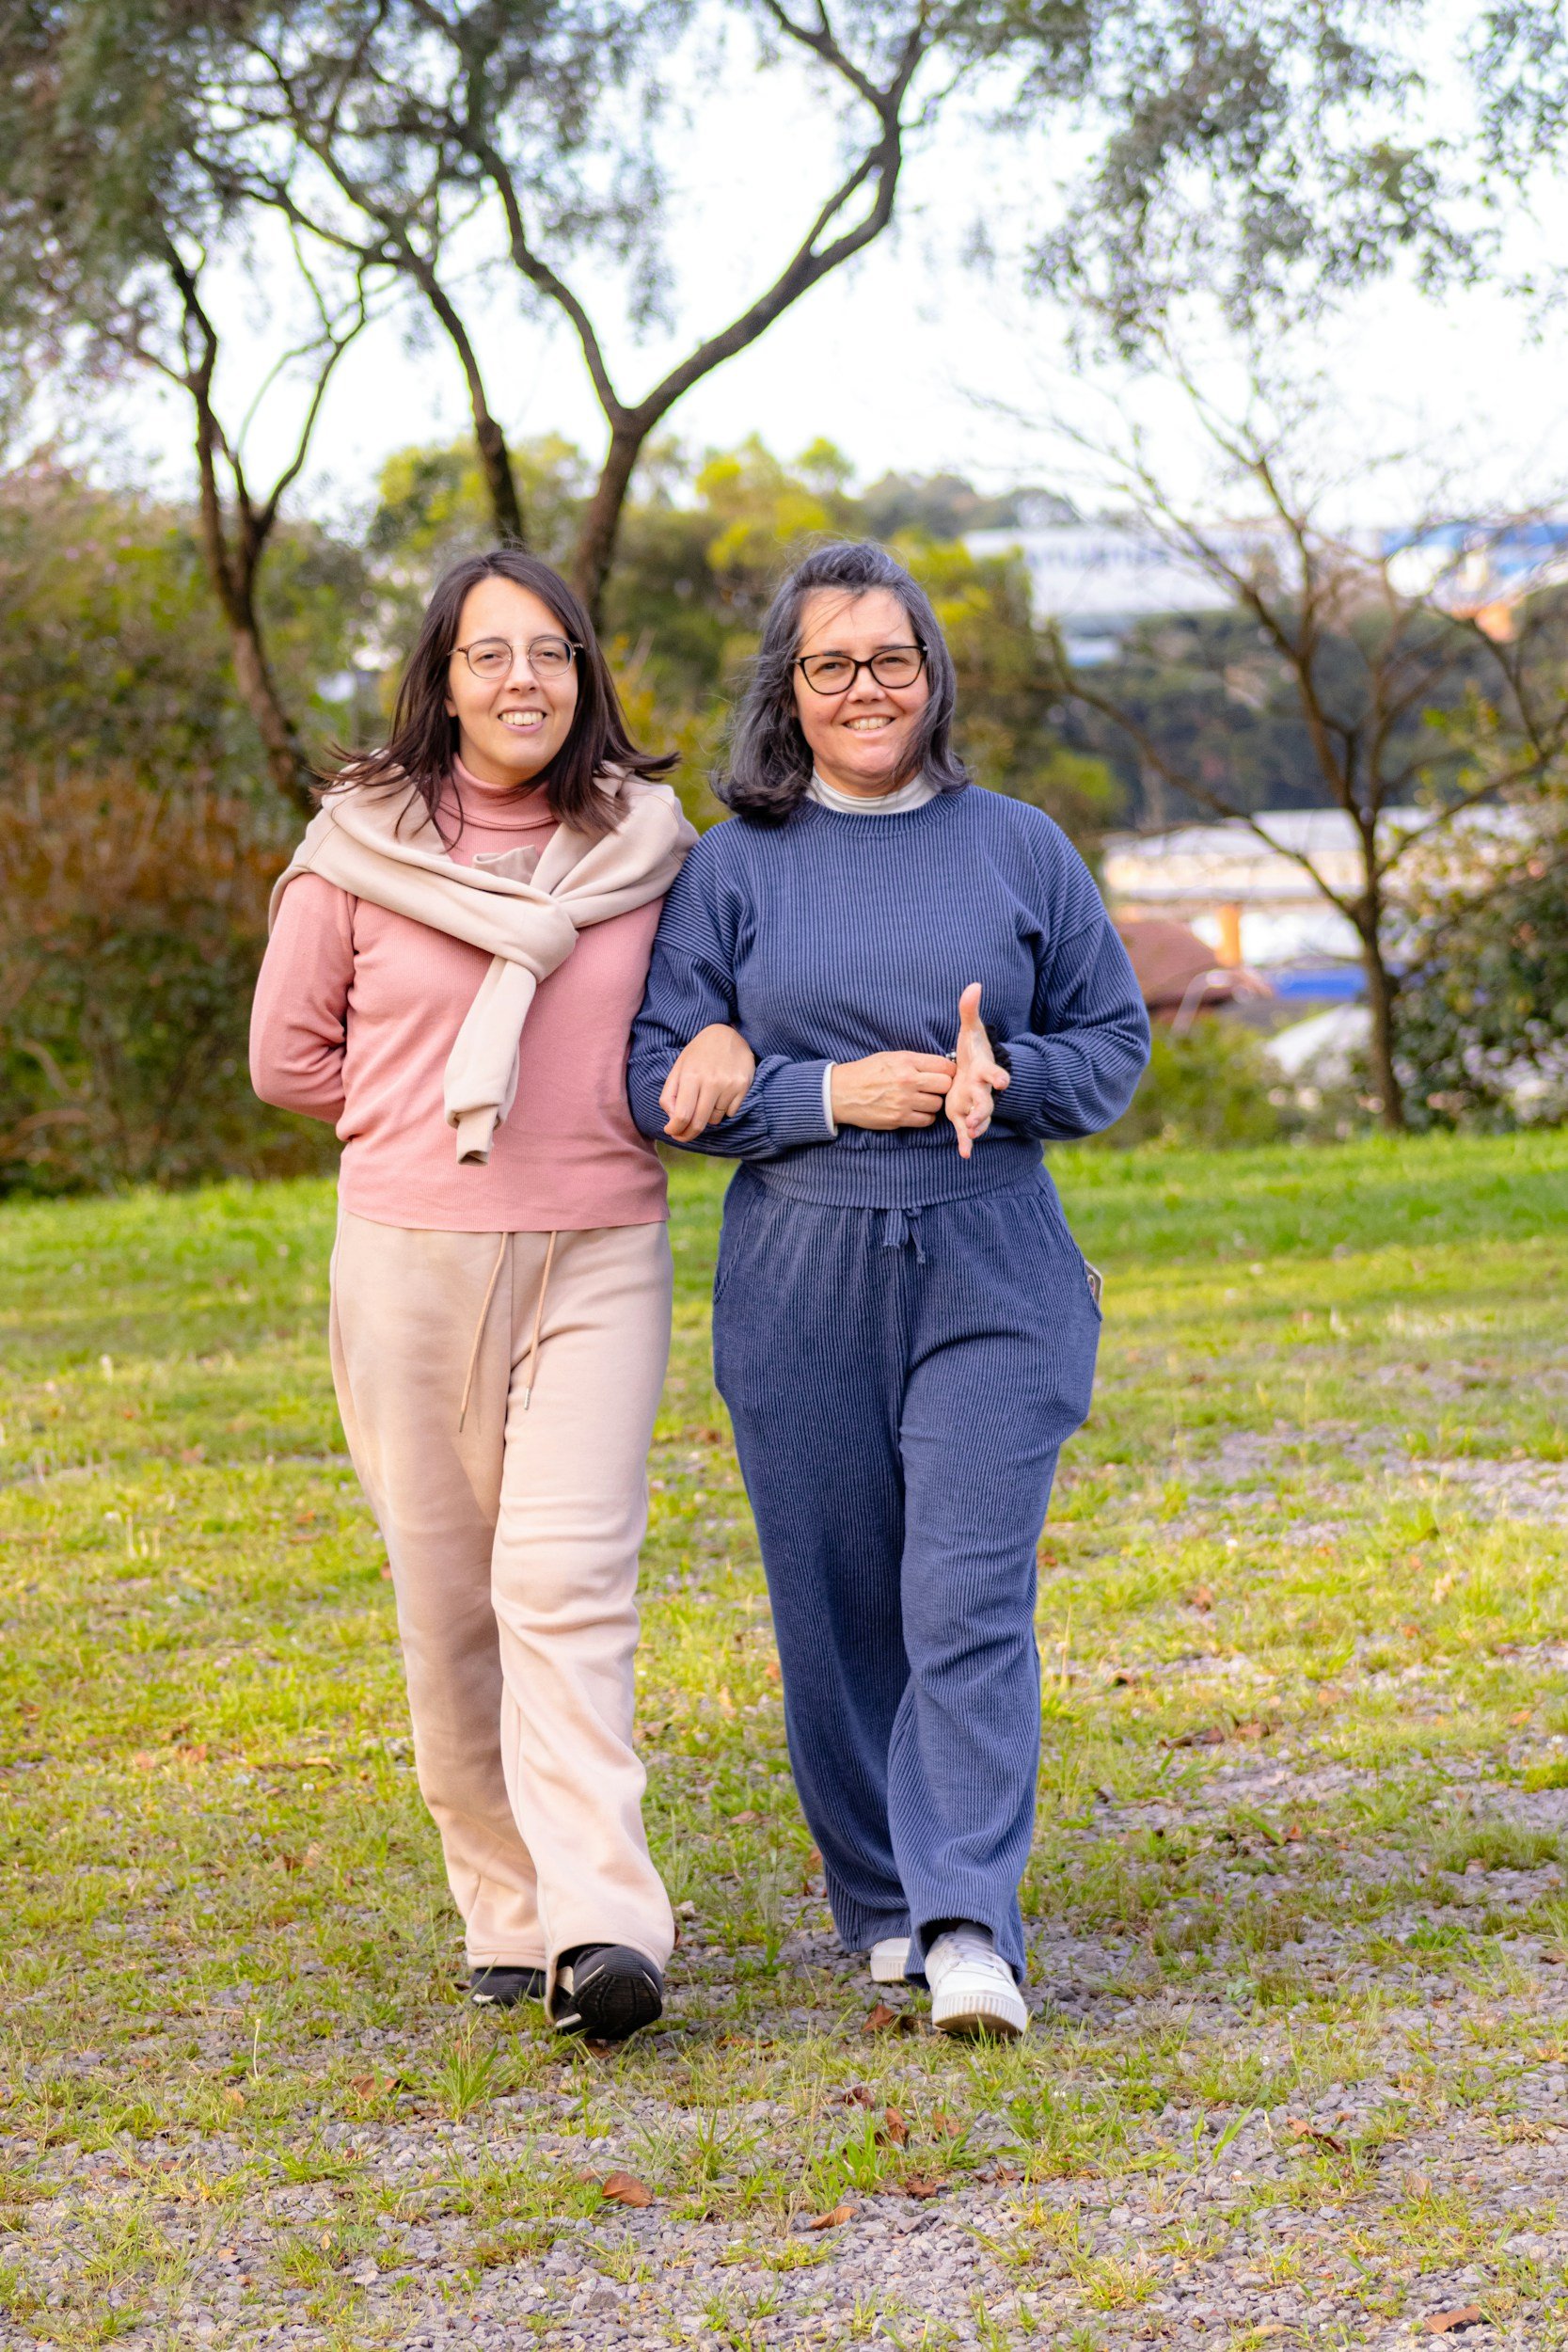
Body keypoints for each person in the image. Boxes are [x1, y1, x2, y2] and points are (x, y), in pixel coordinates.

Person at [627, 541, 1150, 2038]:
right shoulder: (732, 869)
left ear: (934, 677)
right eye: (832, 664)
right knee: (838, 1608)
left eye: (892, 660)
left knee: (966, 1596)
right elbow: (658, 1077)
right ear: (789, 689)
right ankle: (882, 1903)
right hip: (801, 1277)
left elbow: (1113, 1043)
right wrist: (818, 1093)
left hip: (992, 1257)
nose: (866, 688)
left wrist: (1013, 1075)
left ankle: (969, 1919)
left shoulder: (1020, 848)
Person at [249, 548, 748, 2042]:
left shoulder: (650, 846)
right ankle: (506, 1907)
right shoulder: (357, 847)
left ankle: (606, 1924)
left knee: (568, 1584)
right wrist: (424, 1122)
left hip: (602, 1247)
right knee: (450, 1599)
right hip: (410, 1257)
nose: (523, 679)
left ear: (586, 673)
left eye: (550, 652)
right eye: (490, 655)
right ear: (445, 681)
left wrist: (714, 1046)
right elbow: (287, 1059)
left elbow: (701, 1009)